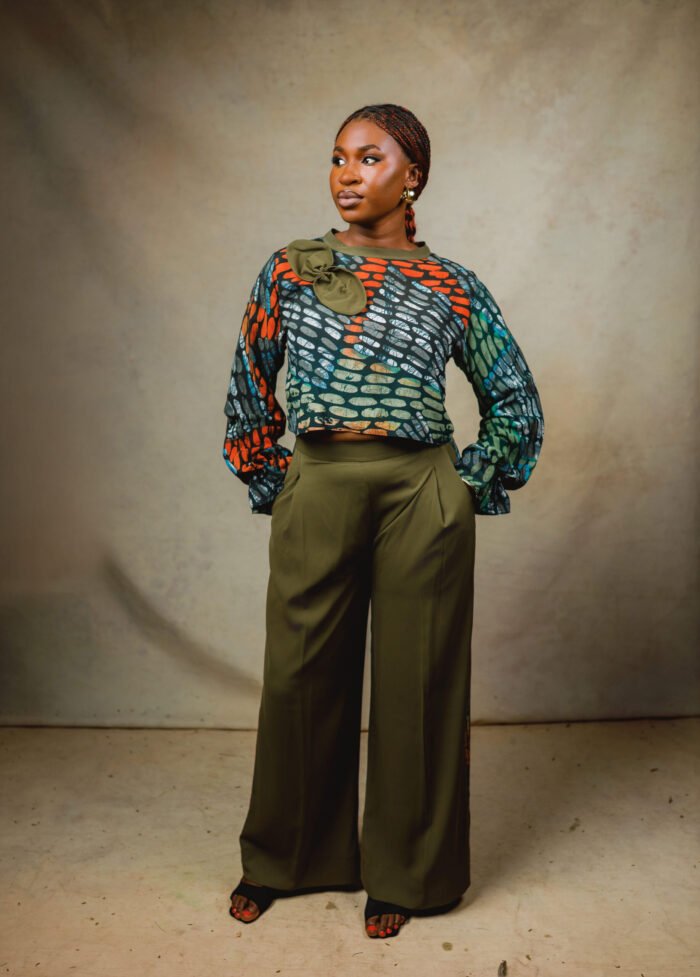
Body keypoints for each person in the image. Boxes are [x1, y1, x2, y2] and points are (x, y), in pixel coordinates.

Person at [222, 103, 544, 940]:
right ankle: (285, 856)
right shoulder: (290, 269)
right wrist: (275, 478)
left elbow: (512, 396)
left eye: (370, 157)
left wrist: (468, 481)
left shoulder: (452, 284)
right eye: (338, 157)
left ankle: (410, 871)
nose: (347, 173)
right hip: (319, 479)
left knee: (419, 684)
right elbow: (250, 380)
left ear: (413, 177)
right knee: (299, 677)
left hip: (420, 492)